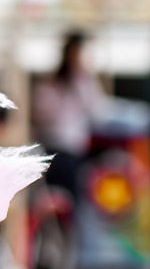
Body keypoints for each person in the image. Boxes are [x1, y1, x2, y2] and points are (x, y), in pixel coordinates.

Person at [32, 31, 105, 199]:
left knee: (66, 197)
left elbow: (95, 108)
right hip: (53, 146)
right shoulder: (54, 82)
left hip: (70, 148)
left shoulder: (82, 81)